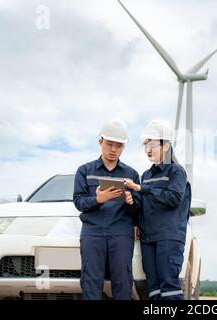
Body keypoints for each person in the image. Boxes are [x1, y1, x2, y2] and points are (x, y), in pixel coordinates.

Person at [73, 119, 140, 300]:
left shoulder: (132, 175)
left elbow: (138, 209)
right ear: (100, 141)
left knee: (123, 283)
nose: (113, 150)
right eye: (110, 144)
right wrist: (97, 199)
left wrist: (131, 201)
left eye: (119, 146)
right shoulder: (84, 171)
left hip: (121, 234)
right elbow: (78, 201)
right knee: (91, 282)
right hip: (92, 232)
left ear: (123, 147)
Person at [125, 119, 191, 300]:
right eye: (145, 144)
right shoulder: (146, 175)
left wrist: (142, 189)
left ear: (167, 146)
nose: (148, 149)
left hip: (169, 237)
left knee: (169, 288)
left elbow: (174, 198)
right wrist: (131, 201)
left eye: (152, 144)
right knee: (153, 290)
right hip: (148, 239)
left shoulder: (176, 171)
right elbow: (143, 206)